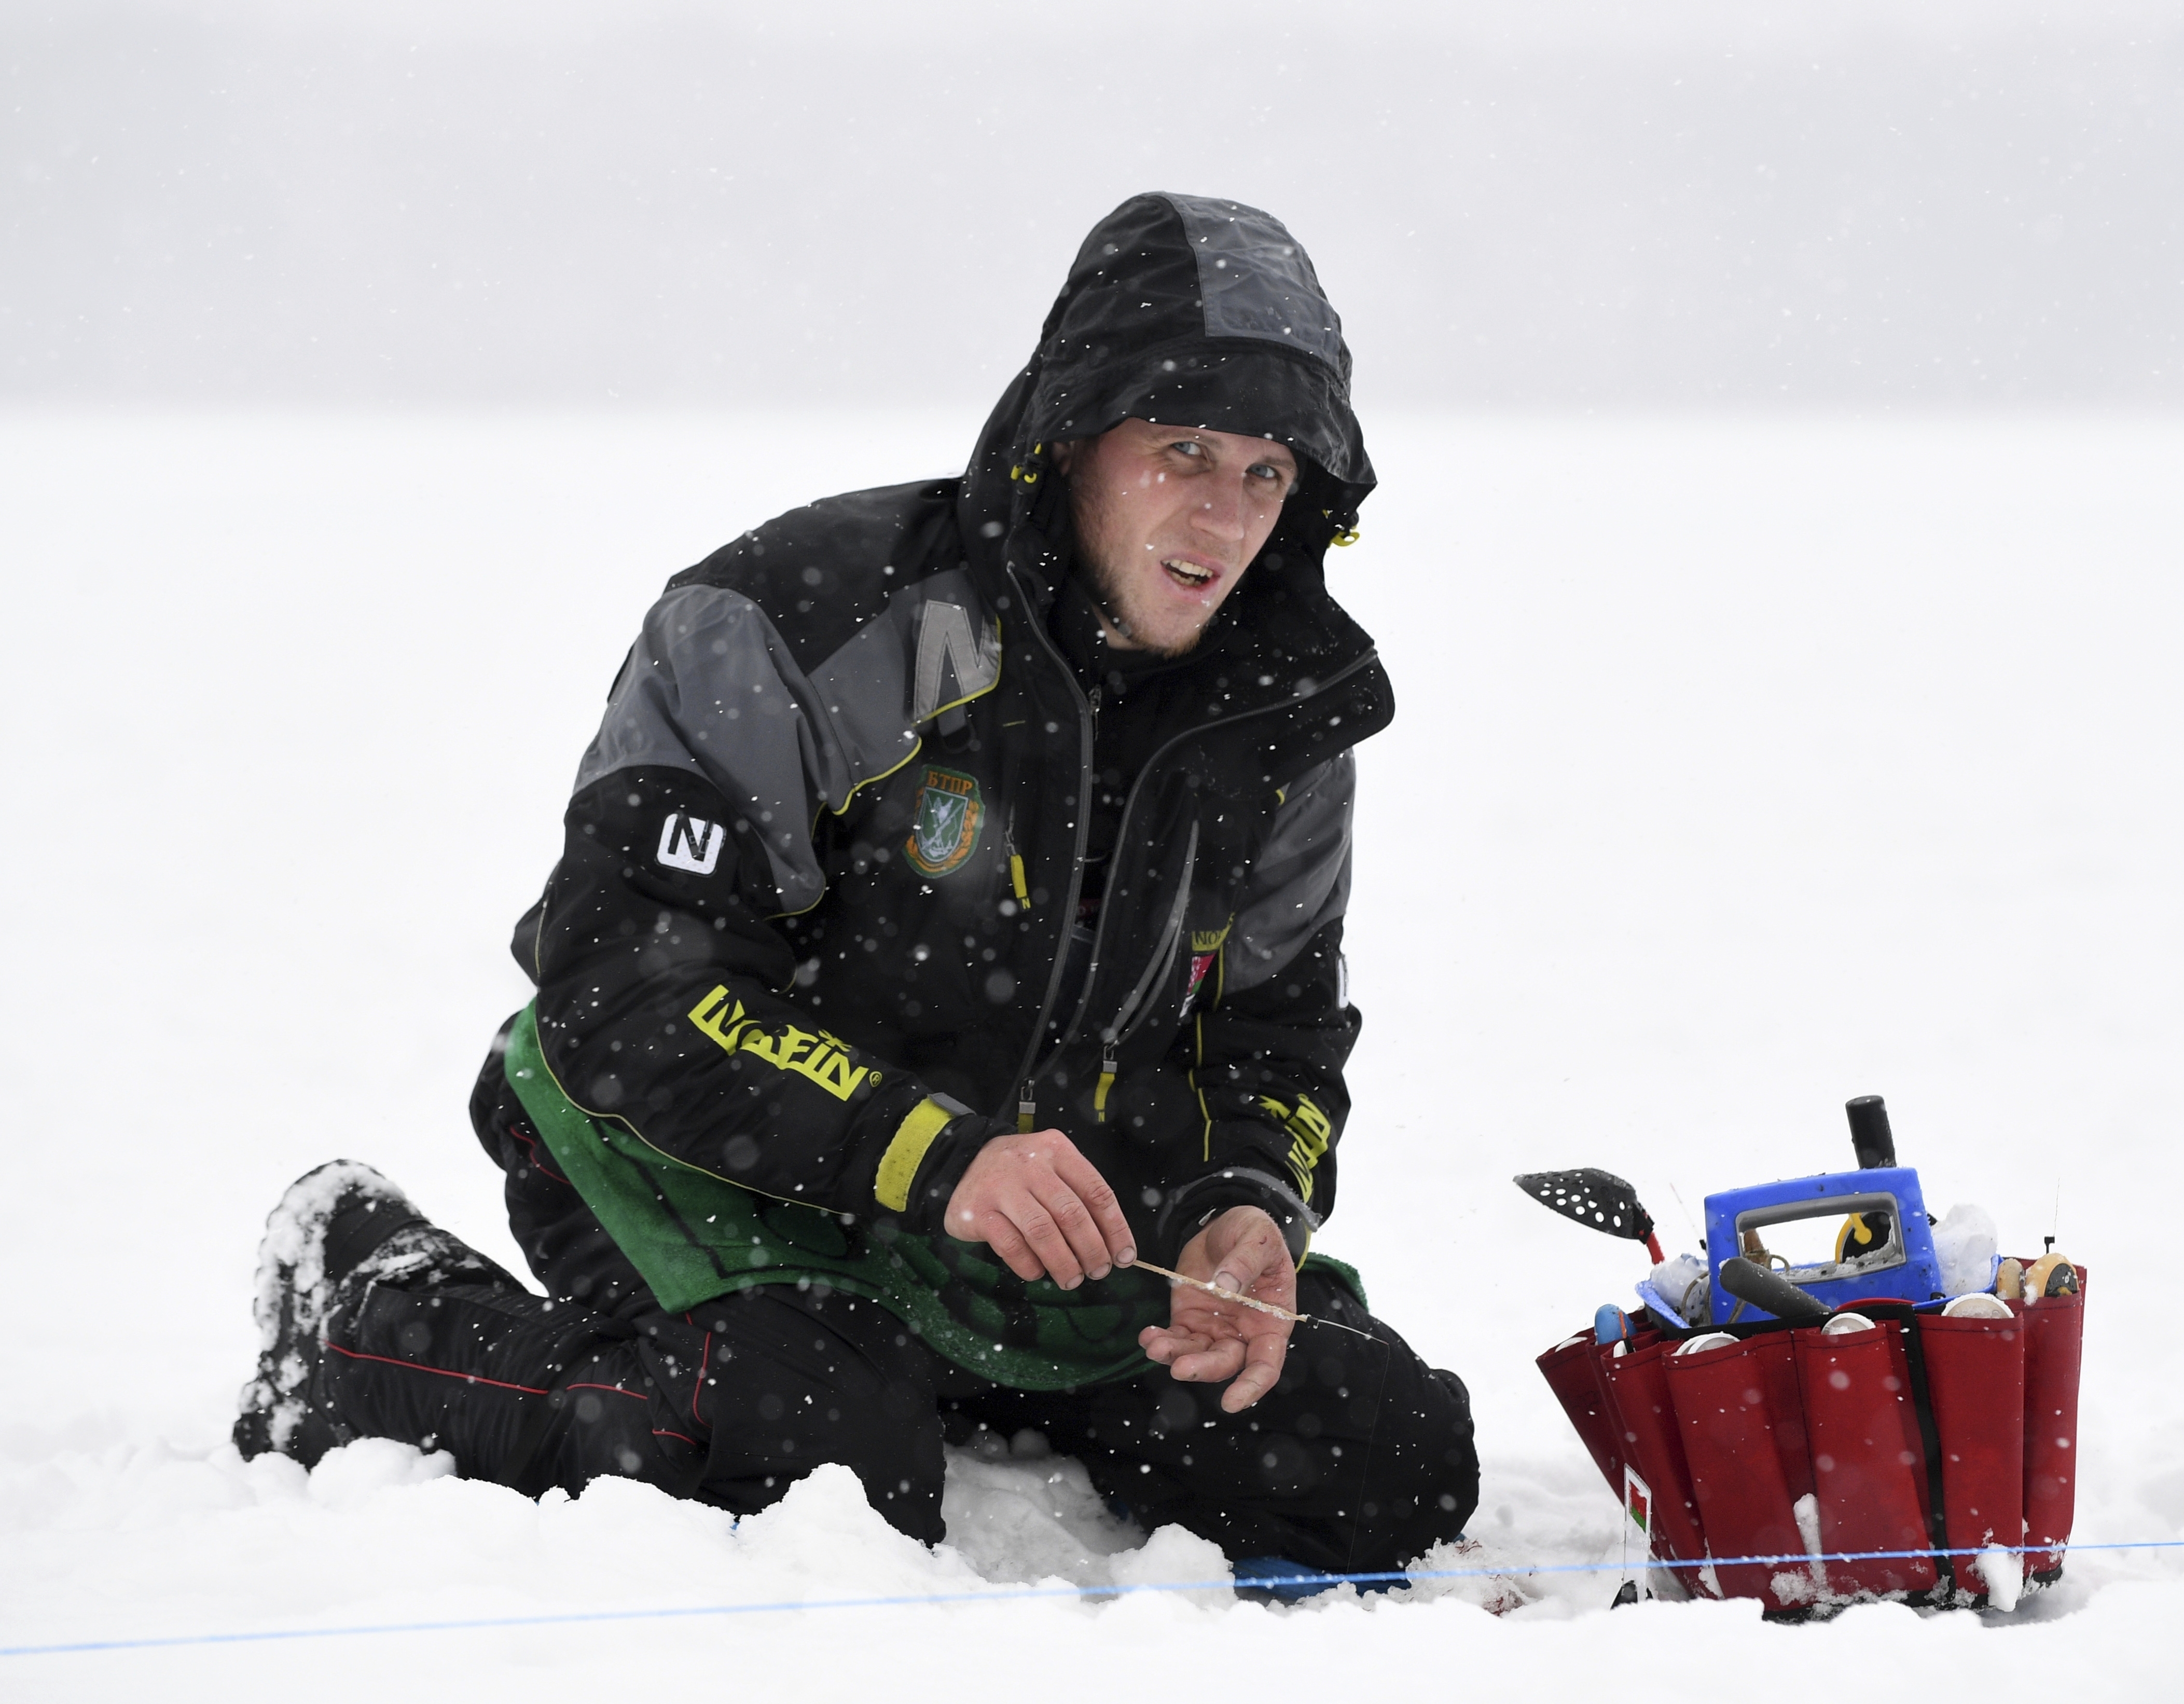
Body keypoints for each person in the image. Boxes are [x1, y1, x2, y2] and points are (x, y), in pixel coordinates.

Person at [231, 192, 1477, 1584]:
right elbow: (624, 989)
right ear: (1071, 439)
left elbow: (1275, 1032)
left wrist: (1247, 1205)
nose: (1225, 513)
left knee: (1382, 1461)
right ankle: (368, 1302)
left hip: (1054, 1228)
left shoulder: (1280, 715)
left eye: (1265, 471)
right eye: (1184, 448)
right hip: (693, 1151)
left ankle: (939, 1366)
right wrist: (930, 1154)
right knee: (812, 1455)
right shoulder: (795, 615)